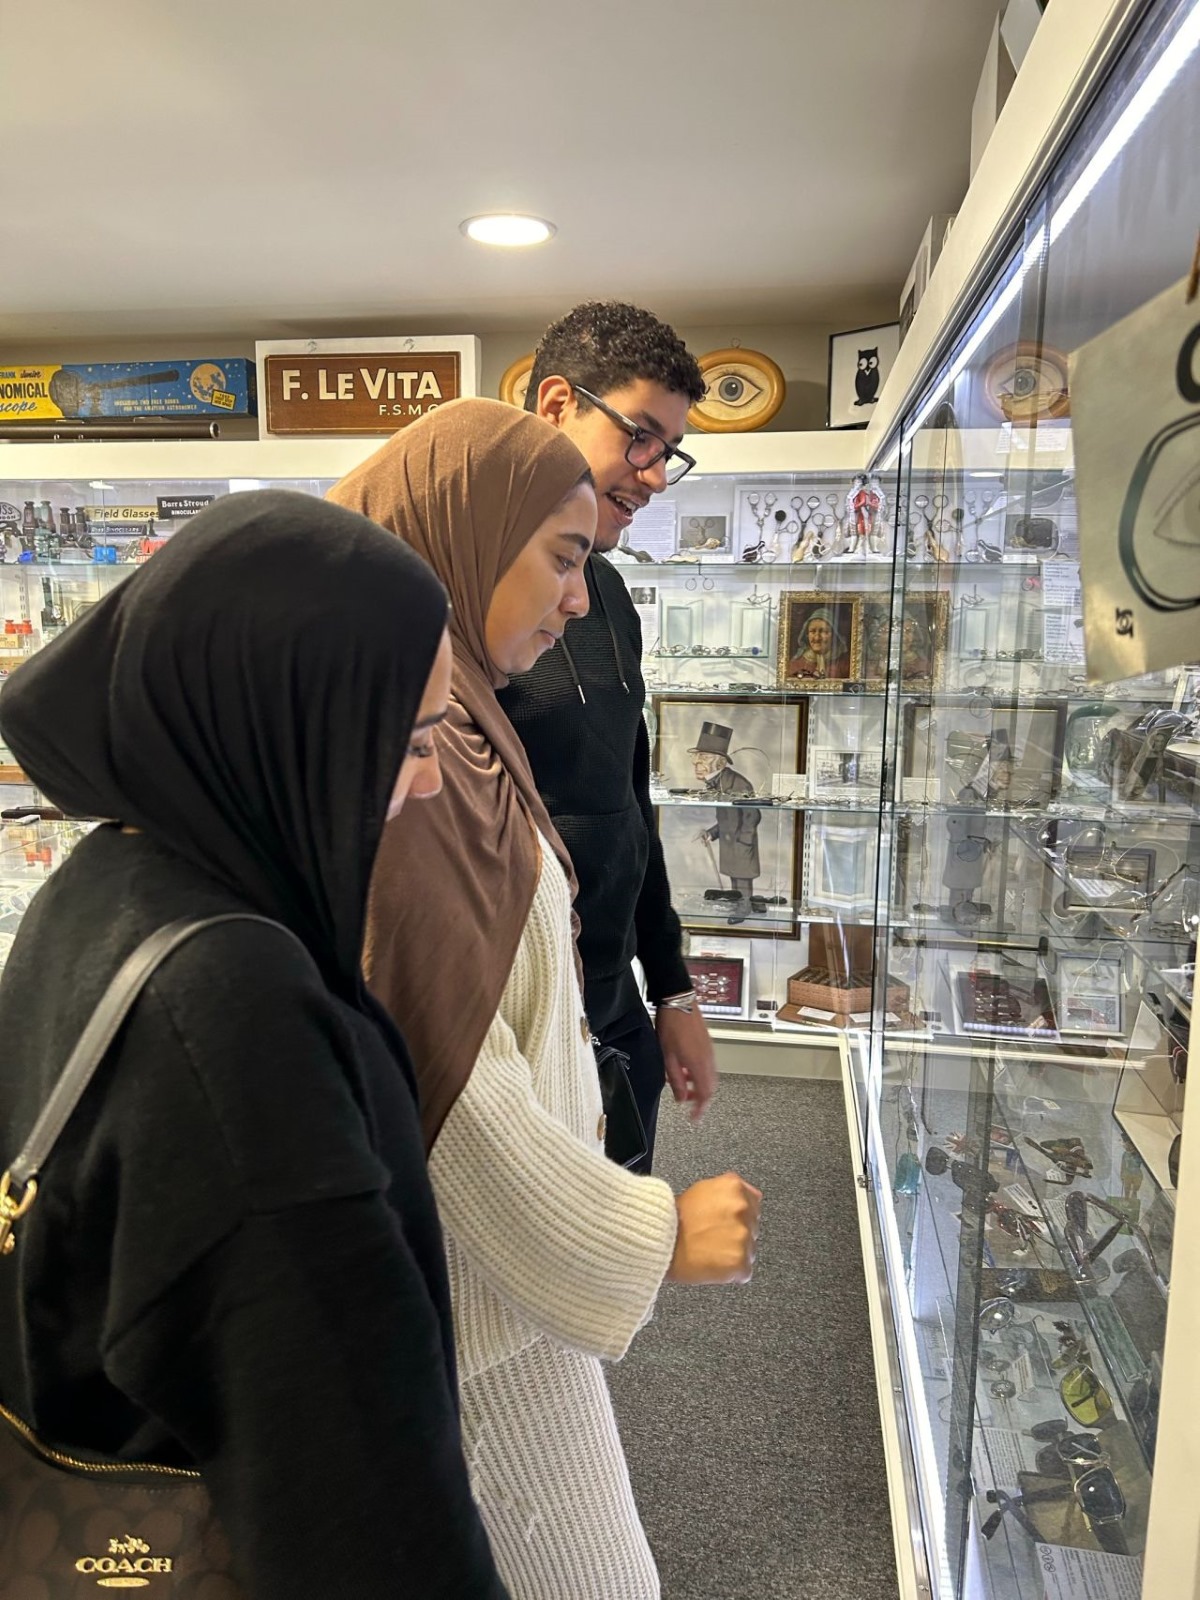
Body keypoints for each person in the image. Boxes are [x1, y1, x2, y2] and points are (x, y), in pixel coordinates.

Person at [0, 492, 509, 1599]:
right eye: (412, 738)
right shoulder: (237, 1011)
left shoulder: (100, 885)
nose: (425, 782)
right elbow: (357, 1502)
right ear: (288, 720)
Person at [328, 399, 761, 1600]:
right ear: (463, 540)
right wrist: (647, 1232)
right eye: (561, 559)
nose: (578, 598)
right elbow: (452, 1084)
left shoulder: (455, 720)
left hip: (500, 1297)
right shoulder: (423, 753)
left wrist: (666, 983)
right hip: (479, 1309)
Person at [496, 301, 713, 1172]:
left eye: (669, 451)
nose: (655, 475)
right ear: (556, 406)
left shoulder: (609, 594)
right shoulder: (463, 601)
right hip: (513, 1023)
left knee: (623, 1266)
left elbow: (629, 802)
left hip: (613, 1001)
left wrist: (672, 988)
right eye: (641, 438)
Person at [689, 721, 762, 925]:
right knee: (734, 875)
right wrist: (711, 833)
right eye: (697, 757)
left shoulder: (738, 783)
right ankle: (739, 903)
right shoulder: (717, 782)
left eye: (703, 758)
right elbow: (726, 818)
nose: (696, 762)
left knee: (743, 878)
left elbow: (752, 814)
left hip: (741, 842)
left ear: (719, 762)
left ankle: (744, 908)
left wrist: (745, 840)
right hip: (731, 842)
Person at [788, 607, 852, 680]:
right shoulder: (796, 664)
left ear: (835, 635)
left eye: (823, 631)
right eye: (812, 631)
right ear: (806, 635)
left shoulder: (847, 665)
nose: (817, 638)